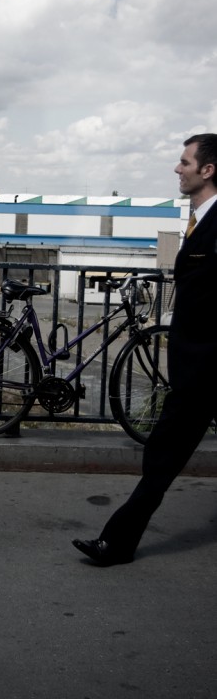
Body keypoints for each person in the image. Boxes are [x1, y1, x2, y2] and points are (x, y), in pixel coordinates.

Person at [73, 133, 217, 565]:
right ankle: (117, 543)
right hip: (197, 365)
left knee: (162, 456)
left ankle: (116, 544)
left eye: (185, 162)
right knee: (162, 454)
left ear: (207, 170)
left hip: (206, 366)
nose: (178, 168)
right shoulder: (200, 221)